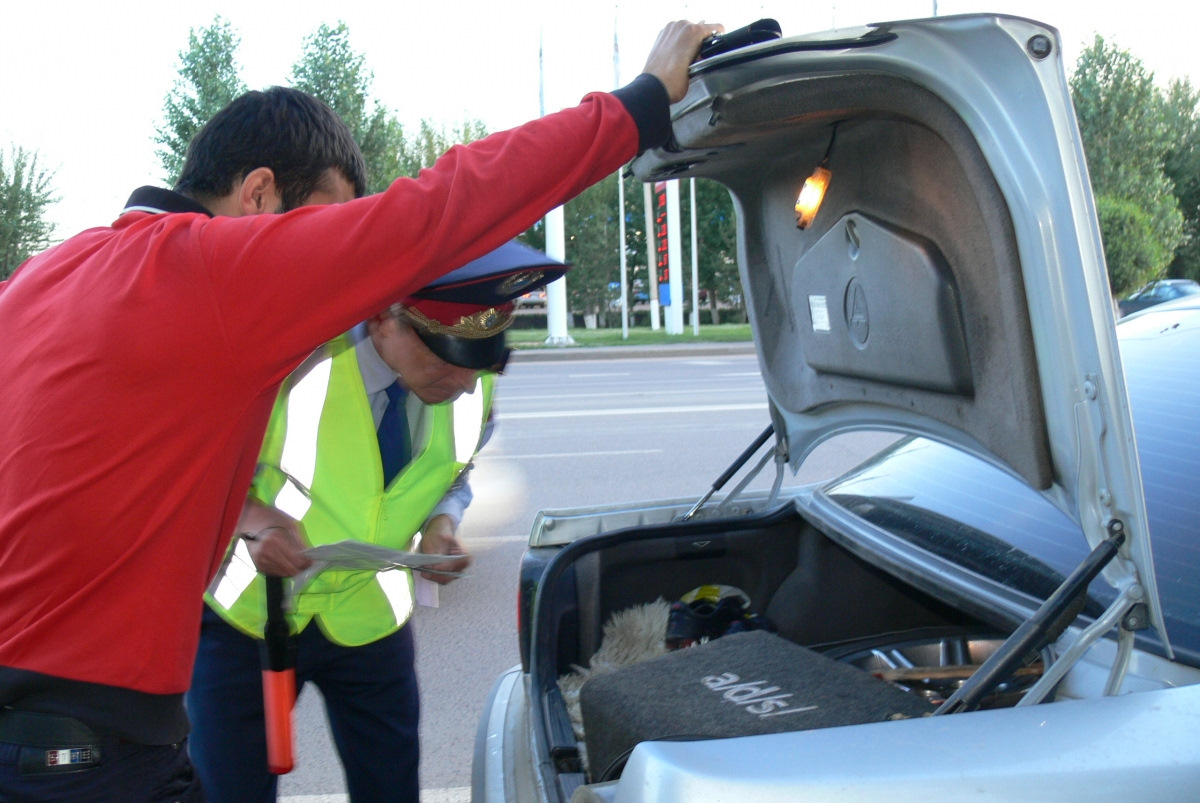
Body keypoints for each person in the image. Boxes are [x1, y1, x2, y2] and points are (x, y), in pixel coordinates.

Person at [0, 20, 722, 800]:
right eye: (326, 223)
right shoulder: (219, 275)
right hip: (88, 744)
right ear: (260, 194)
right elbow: (441, 207)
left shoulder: (47, 273)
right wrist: (640, 104)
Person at [187, 244, 564, 802]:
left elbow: (458, 469)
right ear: (383, 317)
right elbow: (194, 467)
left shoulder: (472, 383)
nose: (462, 384)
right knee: (229, 792)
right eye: (443, 359)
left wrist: (442, 521)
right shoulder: (288, 362)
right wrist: (255, 520)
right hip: (249, 617)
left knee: (389, 789)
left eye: (478, 362)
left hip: (370, 621)